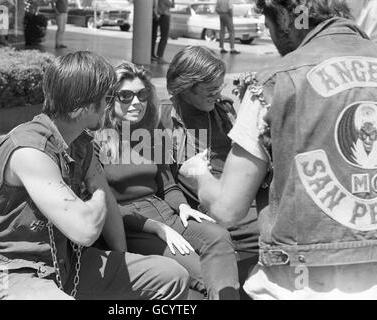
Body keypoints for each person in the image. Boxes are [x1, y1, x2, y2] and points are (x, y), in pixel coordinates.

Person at [179, 0, 377, 299]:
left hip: (301, 281)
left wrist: (197, 174)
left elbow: (227, 209)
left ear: (286, 16)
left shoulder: (273, 83)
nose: (272, 40)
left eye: (269, 27)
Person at [0, 51, 189, 300]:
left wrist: (122, 262)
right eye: (107, 97)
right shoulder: (29, 150)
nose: (109, 105)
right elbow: (85, 230)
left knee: (172, 276)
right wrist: (98, 186)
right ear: (83, 105)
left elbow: (108, 212)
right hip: (15, 272)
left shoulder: (80, 142)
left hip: (68, 265)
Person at [95, 62, 240, 300]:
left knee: (219, 236)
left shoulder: (152, 133)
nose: (136, 102)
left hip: (164, 211)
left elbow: (167, 183)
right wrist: (156, 227)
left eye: (142, 95)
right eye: (126, 95)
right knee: (204, 277)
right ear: (111, 100)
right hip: (131, 224)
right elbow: (103, 205)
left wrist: (183, 206)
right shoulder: (97, 140)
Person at [163, 45, 261, 297]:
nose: (217, 94)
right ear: (186, 85)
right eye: (210, 89)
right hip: (208, 210)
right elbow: (160, 179)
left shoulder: (224, 111)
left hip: (237, 199)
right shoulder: (164, 118)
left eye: (219, 87)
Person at [151, 0, 174, 64]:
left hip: (160, 15)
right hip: (164, 16)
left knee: (155, 37)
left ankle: (153, 55)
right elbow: (172, 5)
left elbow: (173, 5)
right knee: (164, 37)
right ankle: (160, 57)